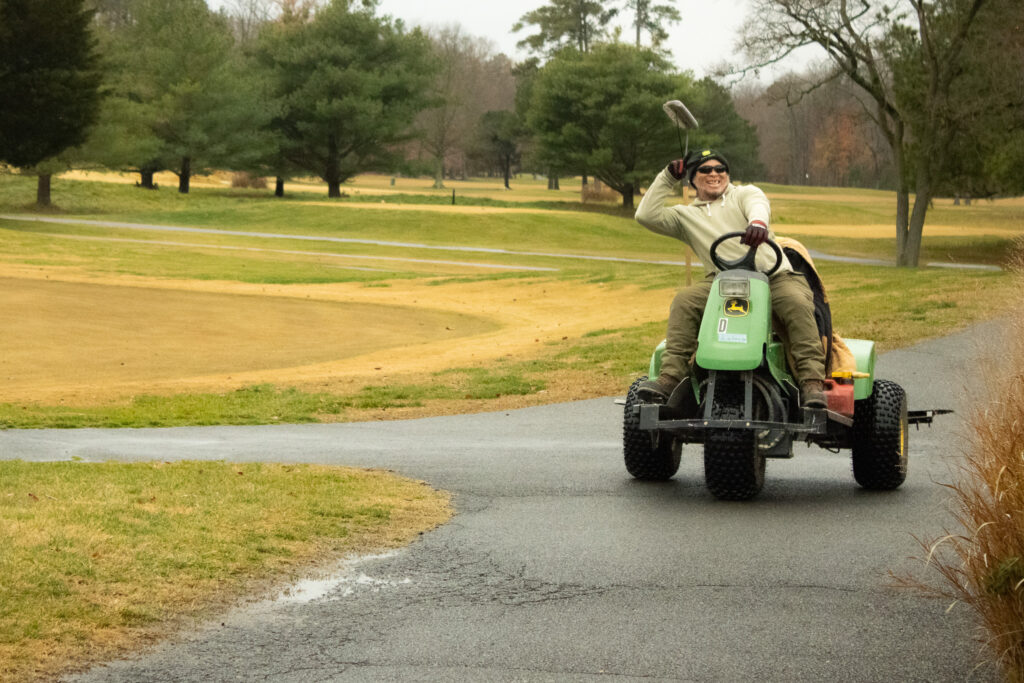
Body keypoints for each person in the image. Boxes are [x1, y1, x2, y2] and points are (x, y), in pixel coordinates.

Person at [634, 149, 827, 408]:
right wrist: (668, 176)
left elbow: (758, 205)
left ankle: (812, 383)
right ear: (693, 179)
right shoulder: (685, 216)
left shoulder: (743, 194)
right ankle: (670, 379)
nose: (714, 174)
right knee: (685, 300)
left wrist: (757, 223)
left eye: (720, 169)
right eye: (705, 170)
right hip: (721, 281)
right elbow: (645, 215)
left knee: (797, 303)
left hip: (773, 276)